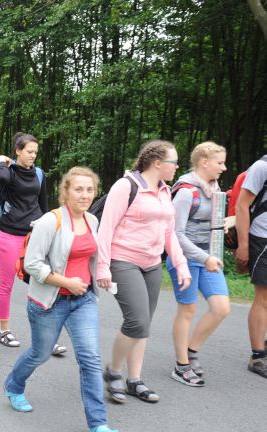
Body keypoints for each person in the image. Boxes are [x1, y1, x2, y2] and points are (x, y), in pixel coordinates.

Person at [4, 167, 119, 432]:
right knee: (40, 353)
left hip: (83, 300)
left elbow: (93, 256)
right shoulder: (49, 221)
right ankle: (13, 385)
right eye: (79, 189)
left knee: (90, 358)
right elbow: (32, 264)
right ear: (65, 191)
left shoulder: (92, 221)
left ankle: (98, 424)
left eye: (90, 190)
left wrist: (101, 275)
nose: (85, 195)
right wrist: (66, 282)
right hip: (49, 302)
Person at [97, 140, 191, 403]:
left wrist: (181, 264)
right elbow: (106, 228)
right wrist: (103, 266)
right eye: (173, 162)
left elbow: (169, 233)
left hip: (152, 264)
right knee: (136, 321)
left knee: (143, 326)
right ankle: (113, 370)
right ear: (157, 163)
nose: (176, 167)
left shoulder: (165, 191)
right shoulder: (126, 186)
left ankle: (134, 380)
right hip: (123, 260)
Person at [0, 132, 66, 356]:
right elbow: (2, 180)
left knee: (43, 283)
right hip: (9, 235)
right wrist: (1, 161)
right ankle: (4, 331)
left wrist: (50, 231)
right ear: (18, 151)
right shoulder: (9, 171)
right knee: (7, 284)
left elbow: (42, 204)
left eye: (35, 152)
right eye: (29, 151)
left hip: (34, 235)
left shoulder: (40, 174)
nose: (33, 155)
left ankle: (46, 337)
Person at [167, 142, 230, 387]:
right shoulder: (186, 191)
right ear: (204, 162)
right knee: (188, 310)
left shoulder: (213, 186)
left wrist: (224, 223)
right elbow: (176, 233)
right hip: (185, 258)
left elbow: (207, 220)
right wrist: (205, 258)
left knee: (221, 308)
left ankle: (191, 351)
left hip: (207, 256)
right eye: (220, 163)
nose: (224, 168)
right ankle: (181, 365)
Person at [235, 154, 267, 378]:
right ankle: (257, 357)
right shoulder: (262, 166)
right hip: (262, 238)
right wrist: (244, 245)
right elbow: (242, 205)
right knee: (263, 298)